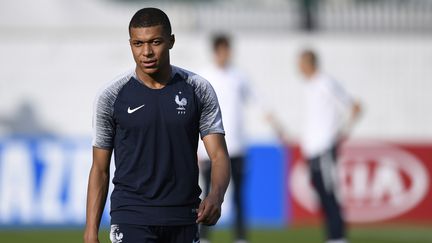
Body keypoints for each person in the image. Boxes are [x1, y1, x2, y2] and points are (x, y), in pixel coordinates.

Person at [84, 8, 231, 243]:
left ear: (171, 41)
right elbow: (99, 169)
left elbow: (219, 155)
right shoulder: (111, 96)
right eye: (138, 43)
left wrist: (216, 195)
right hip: (131, 215)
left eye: (155, 42)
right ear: (130, 44)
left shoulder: (198, 89)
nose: (147, 52)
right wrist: (90, 231)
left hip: (184, 216)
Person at [298, 49, 362, 243]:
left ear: (310, 63)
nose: (299, 68)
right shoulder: (311, 86)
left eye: (301, 63)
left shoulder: (326, 83)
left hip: (325, 147)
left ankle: (338, 236)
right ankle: (332, 235)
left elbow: (355, 106)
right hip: (313, 149)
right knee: (321, 191)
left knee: (329, 191)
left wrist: (342, 132)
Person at [197, 34, 249, 243]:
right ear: (215, 51)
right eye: (221, 50)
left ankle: (240, 237)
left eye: (227, 50)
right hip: (210, 148)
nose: (225, 54)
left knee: (238, 196)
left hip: (236, 147)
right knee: (208, 193)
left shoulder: (239, 77)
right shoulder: (203, 76)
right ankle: (205, 236)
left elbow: (259, 102)